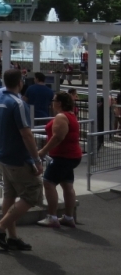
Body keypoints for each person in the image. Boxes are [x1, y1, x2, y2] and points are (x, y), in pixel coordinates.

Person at [0, 69, 43, 252]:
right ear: (20, 82)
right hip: (18, 158)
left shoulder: (0, 96)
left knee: (9, 195)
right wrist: (36, 159)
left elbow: (3, 88)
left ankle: (13, 238)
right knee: (32, 193)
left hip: (2, 154)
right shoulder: (18, 104)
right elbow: (26, 134)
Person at [36, 91, 82, 229]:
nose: (52, 102)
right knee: (67, 185)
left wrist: (43, 151)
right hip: (71, 156)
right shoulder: (70, 115)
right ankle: (68, 217)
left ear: (59, 103)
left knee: (48, 183)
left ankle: (52, 217)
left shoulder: (61, 117)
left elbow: (58, 137)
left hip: (63, 156)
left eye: (54, 100)